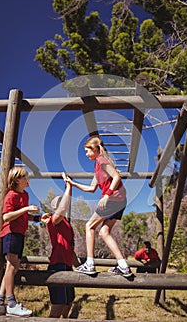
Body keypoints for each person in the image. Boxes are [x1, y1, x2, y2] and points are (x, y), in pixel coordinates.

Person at [65, 136, 132, 277]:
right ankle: (123, 265)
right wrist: (73, 183)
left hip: (113, 199)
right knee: (104, 232)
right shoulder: (97, 167)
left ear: (95, 149)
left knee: (89, 226)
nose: (86, 154)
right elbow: (91, 188)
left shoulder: (102, 160)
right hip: (120, 200)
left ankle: (90, 264)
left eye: (87, 151)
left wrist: (107, 194)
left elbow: (117, 177)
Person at [0, 166, 41, 317]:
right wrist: (25, 209)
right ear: (17, 180)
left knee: (12, 268)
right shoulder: (11, 195)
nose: (28, 180)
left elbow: (23, 216)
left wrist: (39, 219)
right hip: (10, 233)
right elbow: (6, 216)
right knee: (13, 266)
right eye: (26, 177)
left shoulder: (24, 195)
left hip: (20, 233)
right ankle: (11, 303)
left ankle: (0, 303)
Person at [41, 172, 80, 318]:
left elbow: (70, 247)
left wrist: (78, 266)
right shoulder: (53, 220)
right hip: (57, 266)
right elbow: (62, 209)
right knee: (58, 305)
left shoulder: (66, 225)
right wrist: (69, 186)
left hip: (67, 266)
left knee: (69, 301)